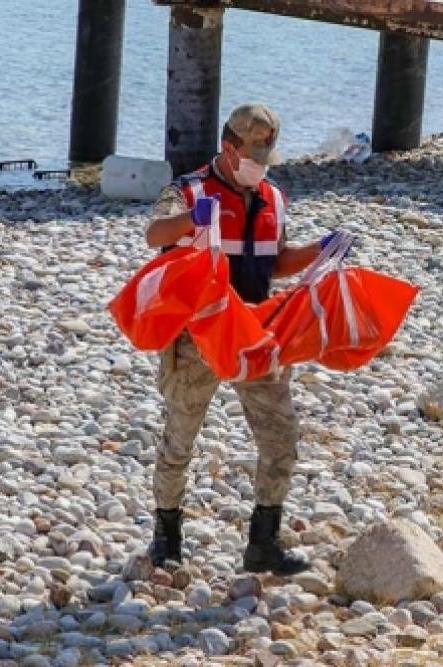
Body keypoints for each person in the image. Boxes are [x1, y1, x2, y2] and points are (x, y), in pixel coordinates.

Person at [143, 103, 335, 576]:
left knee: (281, 438)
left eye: (267, 154)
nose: (259, 164)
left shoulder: (272, 195)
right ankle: (166, 539)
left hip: (254, 333)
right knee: (180, 439)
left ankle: (263, 542)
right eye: (253, 152)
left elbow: (275, 261)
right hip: (196, 337)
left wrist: (320, 251)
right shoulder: (186, 190)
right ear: (228, 147)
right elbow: (154, 235)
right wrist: (193, 220)